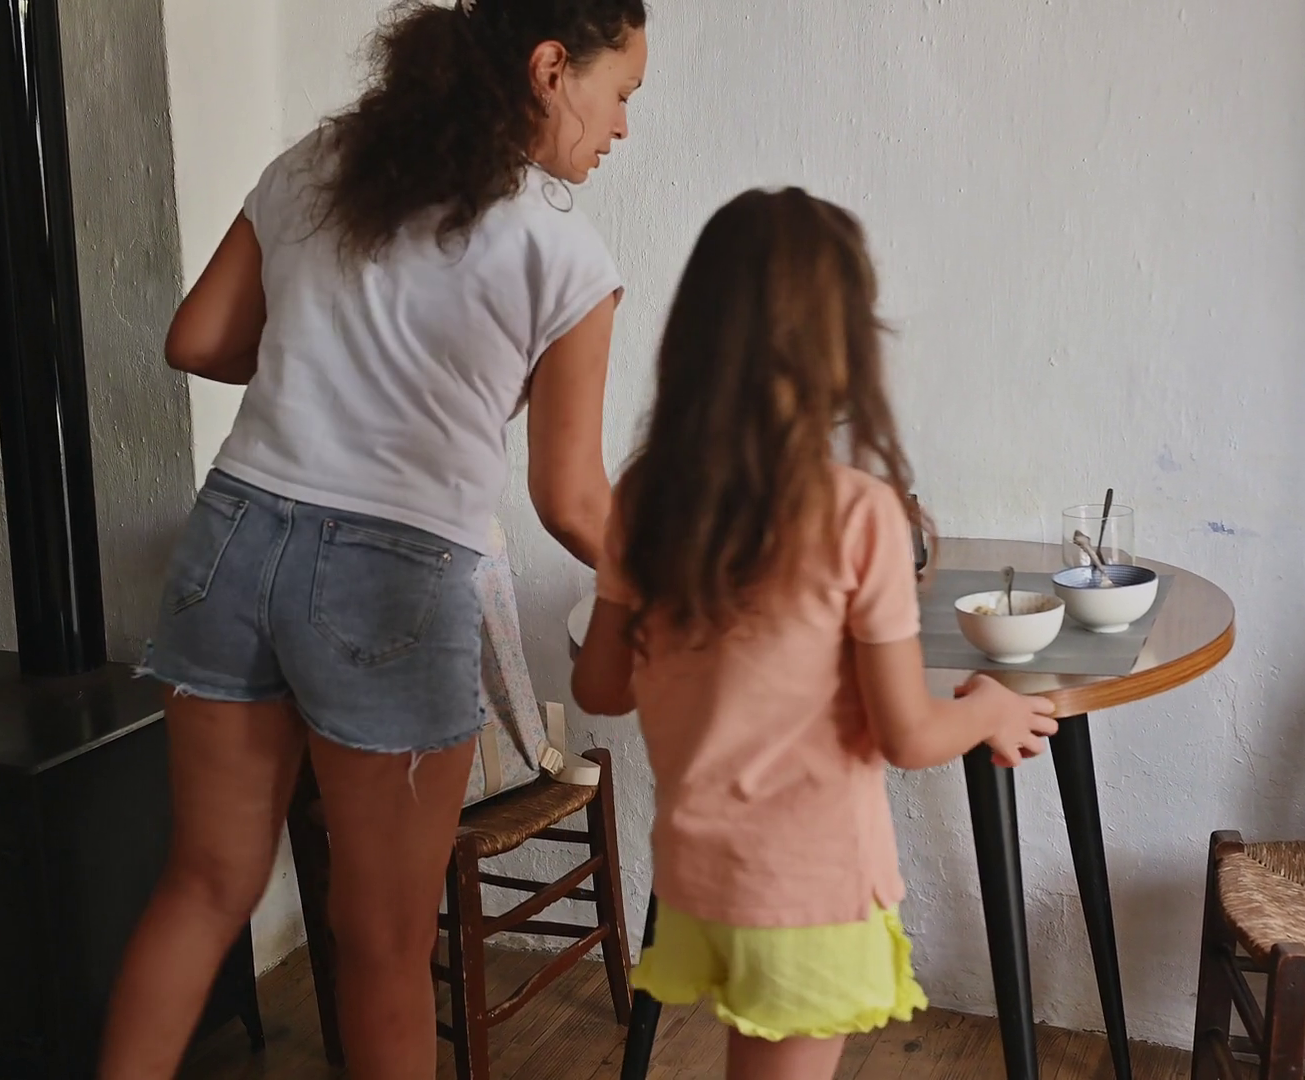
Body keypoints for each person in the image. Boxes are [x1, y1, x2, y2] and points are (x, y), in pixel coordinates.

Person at [98, 1, 648, 1076]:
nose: (624, 125)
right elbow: (575, 502)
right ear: (551, 68)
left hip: (235, 535)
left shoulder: (320, 163)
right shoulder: (567, 256)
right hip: (394, 579)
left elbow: (198, 338)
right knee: (387, 941)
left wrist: (317, 370)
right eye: (621, 92)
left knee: (202, 888)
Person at [570, 189, 1059, 1080]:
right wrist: (991, 709)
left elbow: (598, 688)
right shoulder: (859, 515)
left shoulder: (644, 497)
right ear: (841, 349)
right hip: (807, 890)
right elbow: (908, 735)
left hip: (696, 876)